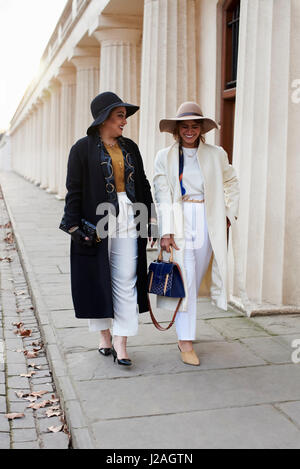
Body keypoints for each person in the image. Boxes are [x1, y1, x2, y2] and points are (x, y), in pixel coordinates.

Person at [62, 92, 157, 366]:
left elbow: (143, 182)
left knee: (126, 275)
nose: (124, 121)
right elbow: (74, 191)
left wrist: (150, 218)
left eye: (124, 116)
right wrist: (72, 226)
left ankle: (121, 340)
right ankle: (104, 336)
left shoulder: (131, 148)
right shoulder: (81, 149)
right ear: (104, 118)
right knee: (97, 276)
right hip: (97, 219)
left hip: (129, 214)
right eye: (120, 116)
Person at [153, 101, 240, 366]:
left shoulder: (216, 154)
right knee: (185, 276)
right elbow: (162, 193)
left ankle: (185, 328)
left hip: (207, 217)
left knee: (197, 272)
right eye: (184, 126)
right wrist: (165, 230)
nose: (189, 131)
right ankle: (185, 339)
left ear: (201, 129)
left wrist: (228, 213)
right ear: (177, 130)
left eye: (194, 126)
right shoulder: (164, 156)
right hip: (179, 219)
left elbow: (231, 182)